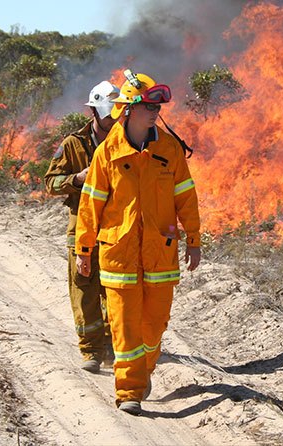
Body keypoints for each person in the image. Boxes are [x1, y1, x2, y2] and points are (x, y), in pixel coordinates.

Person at [74, 69, 201, 415]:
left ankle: (143, 371)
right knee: (125, 328)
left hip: (160, 255)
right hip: (119, 256)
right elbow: (90, 205)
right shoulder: (107, 154)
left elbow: (186, 197)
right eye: (148, 106)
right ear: (128, 109)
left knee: (154, 326)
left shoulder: (170, 150)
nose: (155, 112)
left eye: (158, 107)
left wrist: (194, 238)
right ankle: (129, 391)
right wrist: (83, 249)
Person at [44, 81, 120, 373]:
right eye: (108, 113)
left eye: (117, 113)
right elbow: (50, 182)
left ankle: (114, 343)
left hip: (117, 228)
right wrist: (77, 179)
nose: (113, 119)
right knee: (83, 288)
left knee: (115, 288)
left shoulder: (125, 141)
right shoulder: (73, 144)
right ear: (93, 112)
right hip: (81, 227)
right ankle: (91, 350)